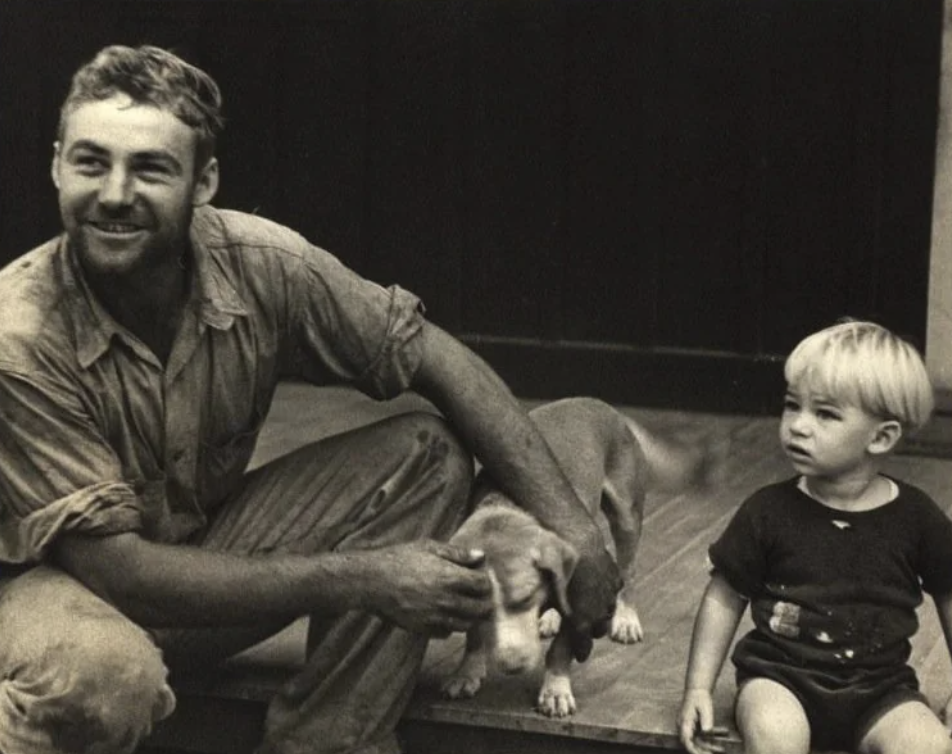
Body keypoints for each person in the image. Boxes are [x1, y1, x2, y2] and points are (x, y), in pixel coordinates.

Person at [0, 44, 621, 754]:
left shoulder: (263, 262)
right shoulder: (17, 335)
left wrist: (575, 530)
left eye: (149, 167)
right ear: (55, 164)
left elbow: (438, 359)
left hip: (190, 566)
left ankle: (328, 742)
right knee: (106, 676)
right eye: (90, 162)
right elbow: (121, 573)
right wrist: (365, 578)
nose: (113, 193)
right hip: (45, 599)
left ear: (203, 182)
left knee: (426, 453)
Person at [677, 319, 952, 754]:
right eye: (792, 406)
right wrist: (697, 688)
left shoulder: (917, 517)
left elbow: (950, 593)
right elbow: (724, 596)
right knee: (777, 734)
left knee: (928, 744)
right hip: (781, 680)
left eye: (824, 413)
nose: (798, 425)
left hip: (880, 690)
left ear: (881, 437)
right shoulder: (768, 511)